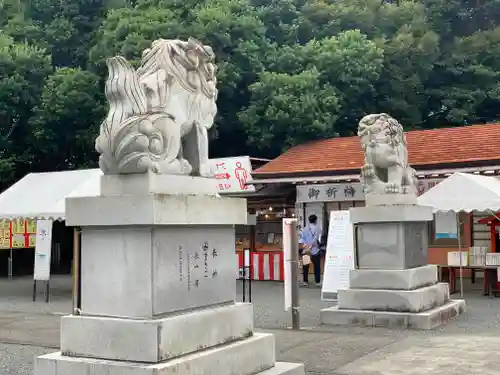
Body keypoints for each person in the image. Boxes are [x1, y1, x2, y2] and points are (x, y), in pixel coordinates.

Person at [298, 214, 322, 287]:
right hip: (315, 250)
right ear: (315, 220)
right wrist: (311, 245)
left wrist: (306, 245)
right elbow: (316, 239)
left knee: (306, 266)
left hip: (306, 250)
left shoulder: (305, 228)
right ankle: (317, 281)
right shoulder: (317, 228)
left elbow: (302, 238)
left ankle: (305, 281)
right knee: (317, 266)